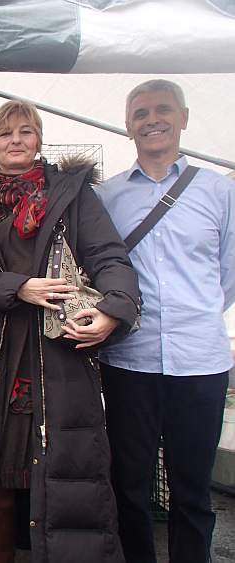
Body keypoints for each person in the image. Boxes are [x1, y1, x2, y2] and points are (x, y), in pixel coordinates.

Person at [0, 100, 140, 563]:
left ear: (38, 140)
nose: (16, 140)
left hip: (58, 352)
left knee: (62, 479)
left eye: (25, 131)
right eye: (5, 133)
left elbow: (109, 257)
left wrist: (114, 310)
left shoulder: (72, 194)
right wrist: (18, 287)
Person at [96, 79, 235, 563]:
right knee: (130, 485)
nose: (152, 120)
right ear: (127, 125)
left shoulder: (220, 191)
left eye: (163, 110)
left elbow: (227, 274)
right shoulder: (108, 196)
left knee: (192, 490)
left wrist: (193, 315)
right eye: (141, 113)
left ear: (184, 117)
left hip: (200, 362)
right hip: (129, 360)